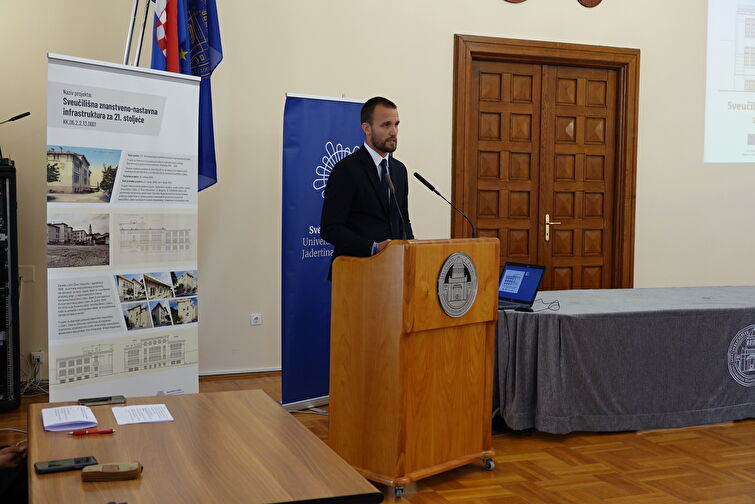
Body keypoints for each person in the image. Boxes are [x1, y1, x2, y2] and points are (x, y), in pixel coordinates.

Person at [320, 96, 414, 279]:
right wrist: (373, 247)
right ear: (366, 128)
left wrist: (411, 249)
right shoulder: (346, 170)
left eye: (396, 124)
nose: (394, 131)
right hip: (356, 272)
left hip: (393, 273)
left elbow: (403, 221)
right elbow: (330, 228)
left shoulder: (399, 170)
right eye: (386, 125)